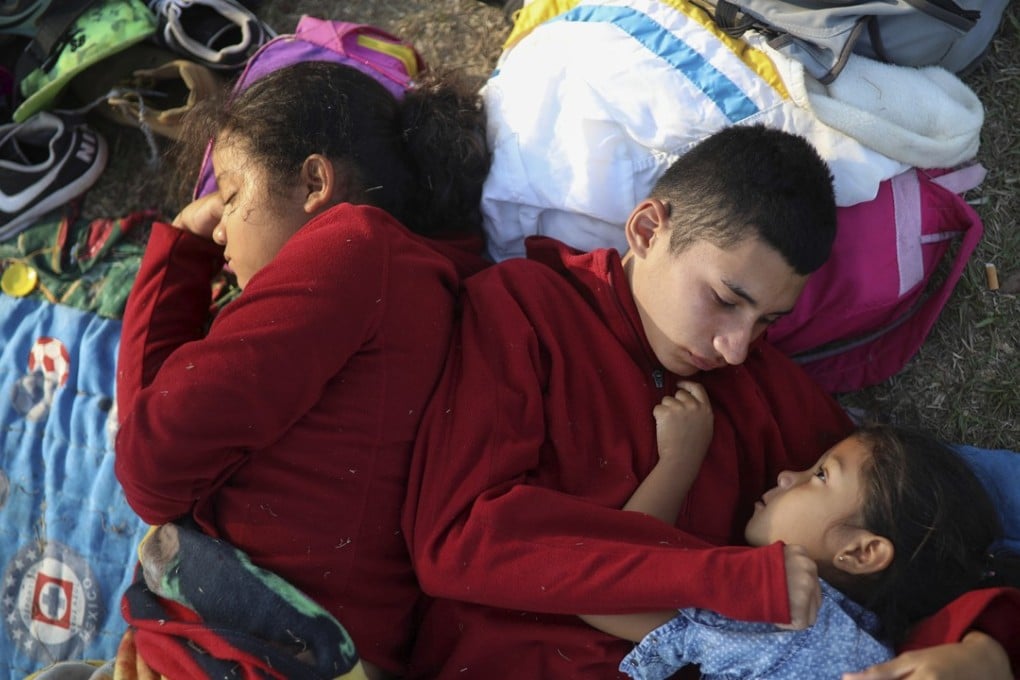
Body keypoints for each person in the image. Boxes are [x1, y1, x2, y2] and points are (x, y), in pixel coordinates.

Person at [402, 124, 1020, 679]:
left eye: (767, 320)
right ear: (648, 230)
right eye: (725, 299)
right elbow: (462, 537)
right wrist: (727, 579)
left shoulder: (758, 383)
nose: (734, 347)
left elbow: (894, 547)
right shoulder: (529, 310)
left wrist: (983, 647)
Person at [114, 60, 490, 678]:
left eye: (231, 196)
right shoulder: (436, 281)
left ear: (315, 181)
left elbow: (147, 464)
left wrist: (179, 255)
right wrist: (181, 255)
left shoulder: (355, 247)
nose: (221, 233)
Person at [580, 393, 1019, 679]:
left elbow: (606, 588)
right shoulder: (869, 643)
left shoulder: (779, 604)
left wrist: (679, 459)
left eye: (821, 475)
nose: (788, 475)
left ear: (862, 551)